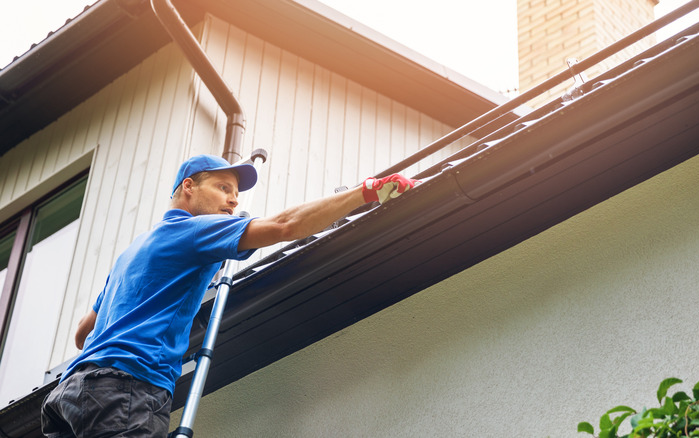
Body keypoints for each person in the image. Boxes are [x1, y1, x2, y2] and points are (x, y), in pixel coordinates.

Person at [40, 154, 418, 437]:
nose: (233, 201)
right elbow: (285, 225)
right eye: (223, 188)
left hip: (70, 396)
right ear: (189, 186)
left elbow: (82, 333)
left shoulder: (131, 253)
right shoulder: (193, 232)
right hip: (126, 390)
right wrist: (365, 191)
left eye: (236, 194)